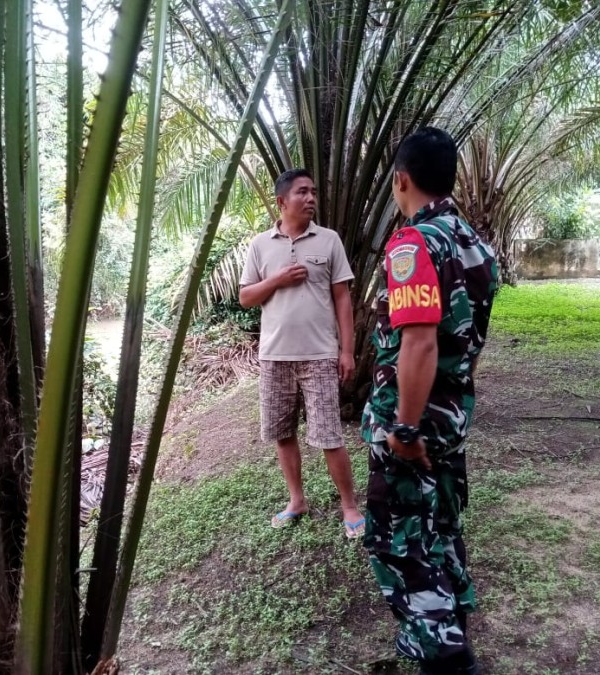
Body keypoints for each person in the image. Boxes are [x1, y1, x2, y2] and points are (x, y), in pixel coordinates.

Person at [361, 128, 498, 675]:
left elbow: (418, 341)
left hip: (414, 421)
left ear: (402, 180)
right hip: (452, 415)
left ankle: (447, 657)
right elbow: (468, 340)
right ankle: (450, 625)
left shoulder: (414, 244)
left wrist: (405, 429)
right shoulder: (475, 244)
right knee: (440, 521)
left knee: (398, 538)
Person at [239, 169, 364, 538]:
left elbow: (342, 297)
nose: (311, 198)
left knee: (329, 434)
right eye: (302, 192)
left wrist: (347, 350)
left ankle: (350, 505)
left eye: (313, 192)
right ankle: (297, 500)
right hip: (274, 356)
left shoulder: (328, 241)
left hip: (320, 355)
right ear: (282, 201)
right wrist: (278, 279)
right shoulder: (261, 245)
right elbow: (246, 297)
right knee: (282, 431)